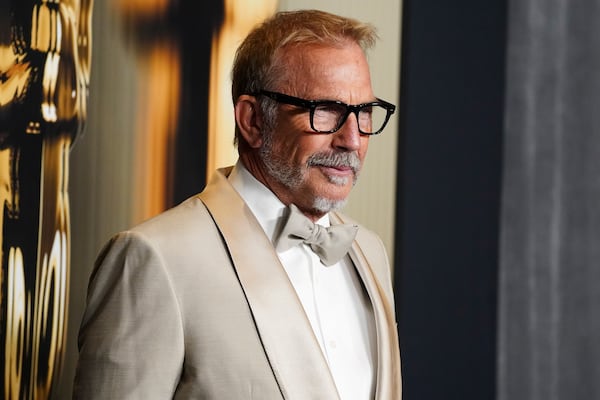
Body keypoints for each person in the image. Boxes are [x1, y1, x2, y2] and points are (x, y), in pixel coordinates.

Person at [73, 9, 402, 400]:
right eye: (326, 110)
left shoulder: (370, 251)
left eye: (363, 112)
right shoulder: (154, 259)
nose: (352, 139)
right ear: (252, 120)